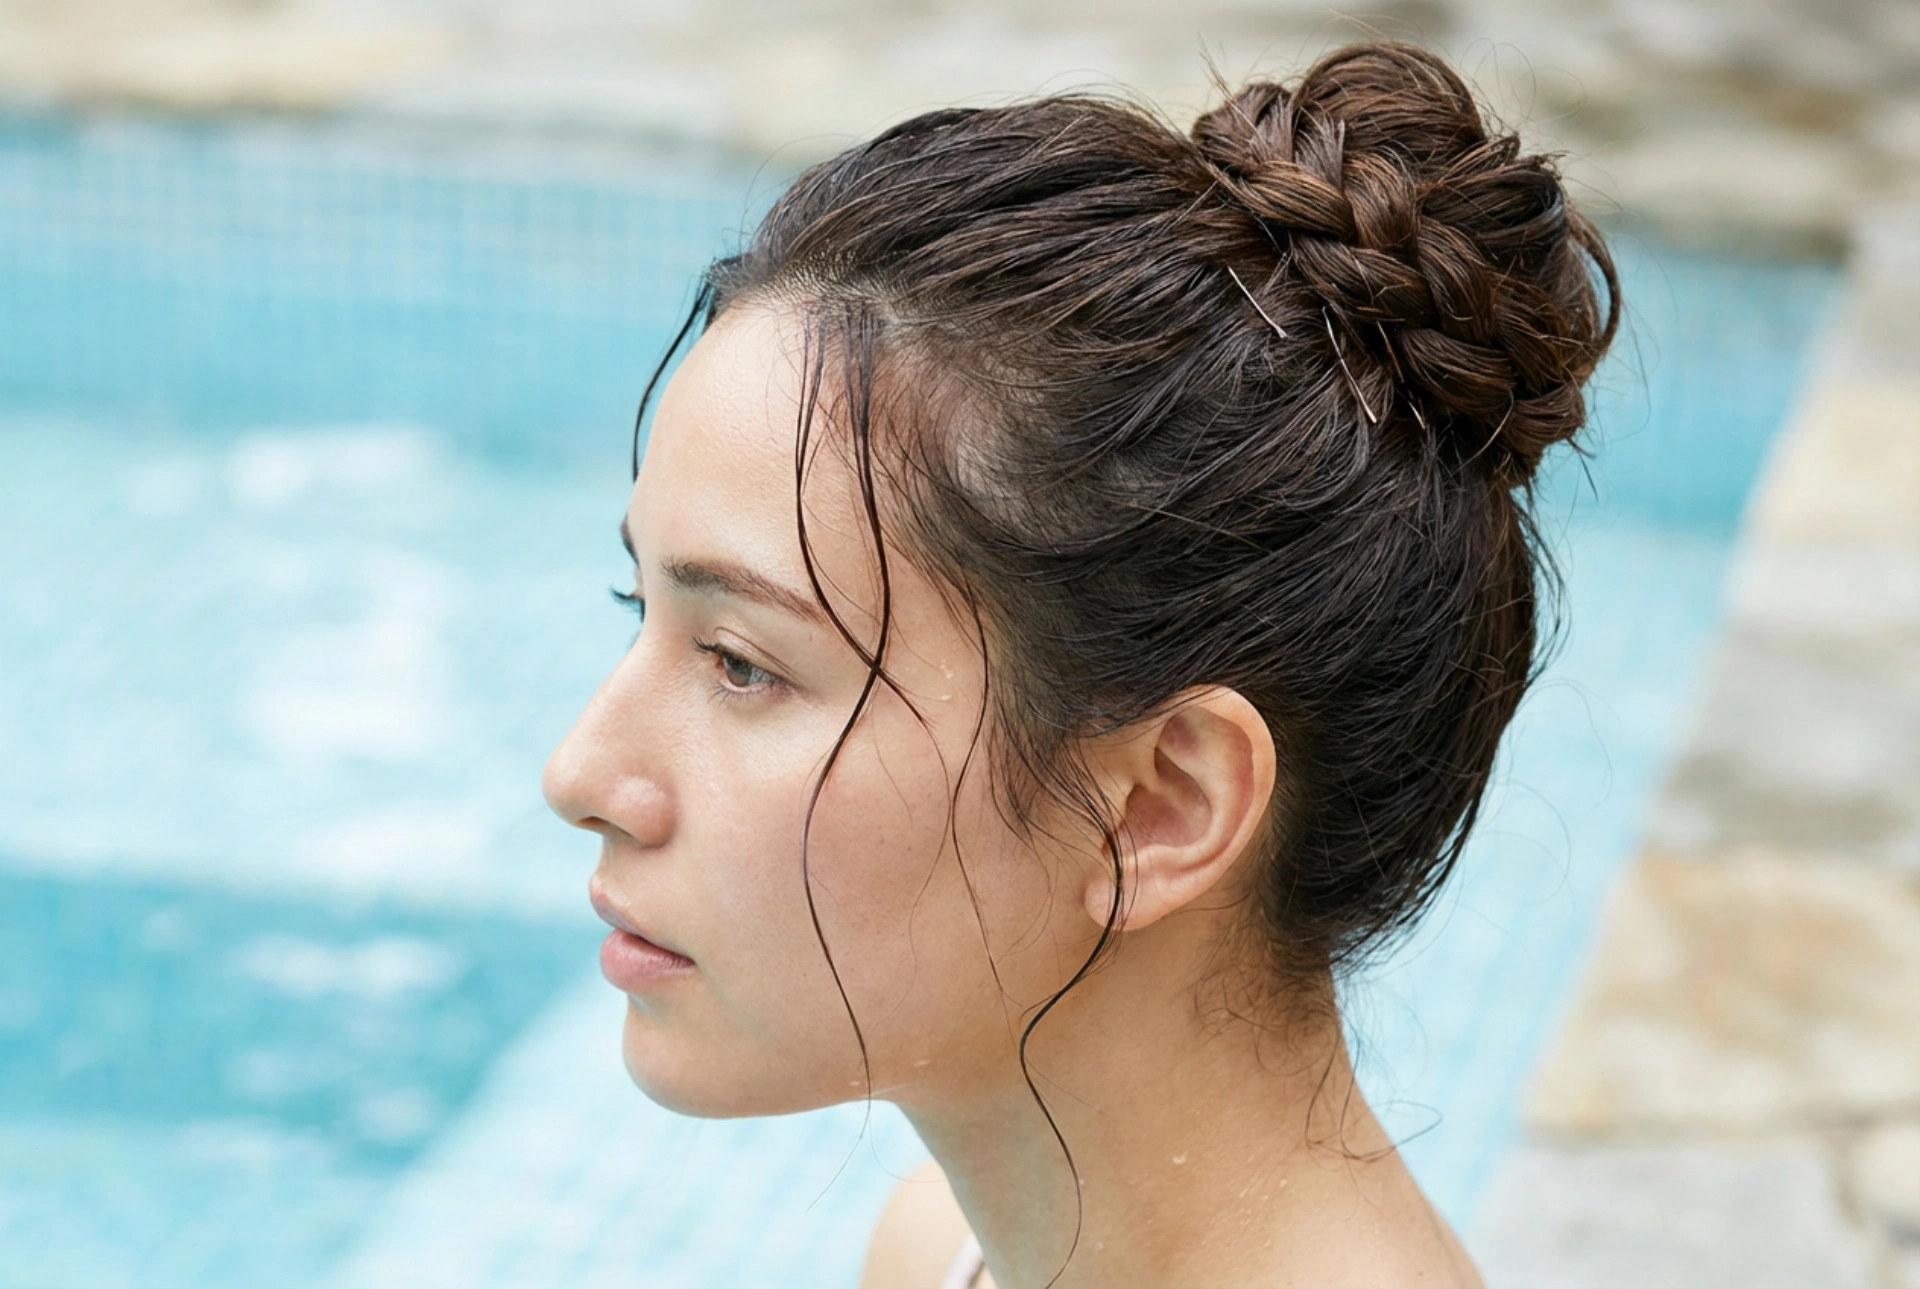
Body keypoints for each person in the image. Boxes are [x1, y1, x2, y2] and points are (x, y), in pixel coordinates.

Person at [542, 38, 1617, 1289]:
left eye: (740, 663)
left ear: (1160, 803)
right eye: (641, 607)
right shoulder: (937, 1252)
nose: (582, 771)